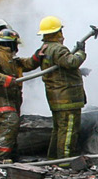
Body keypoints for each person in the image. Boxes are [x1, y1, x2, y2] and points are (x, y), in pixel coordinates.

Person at [33, 16, 87, 159]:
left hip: (56, 97)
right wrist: (81, 52)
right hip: (67, 97)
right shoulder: (58, 48)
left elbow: (59, 71)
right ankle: (66, 161)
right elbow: (71, 62)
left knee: (59, 130)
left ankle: (53, 159)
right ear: (57, 33)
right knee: (69, 130)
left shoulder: (46, 48)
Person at [0, 27, 36, 162]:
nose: (17, 47)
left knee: (12, 126)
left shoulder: (10, 57)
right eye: (15, 43)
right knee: (10, 122)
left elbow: (27, 63)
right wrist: (6, 79)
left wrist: (38, 56)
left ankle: (11, 157)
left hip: (11, 98)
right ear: (9, 43)